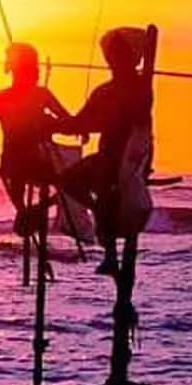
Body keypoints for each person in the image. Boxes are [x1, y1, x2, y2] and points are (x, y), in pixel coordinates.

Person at [54, 27, 153, 274]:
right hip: (107, 155)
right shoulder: (104, 91)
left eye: (120, 54)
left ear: (132, 57)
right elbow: (81, 122)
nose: (113, 60)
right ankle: (98, 212)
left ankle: (110, 255)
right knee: (68, 180)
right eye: (112, 54)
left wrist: (82, 124)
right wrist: (55, 124)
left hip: (131, 157)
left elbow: (134, 118)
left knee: (107, 187)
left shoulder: (140, 87)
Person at [0, 42, 71, 222]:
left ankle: (28, 212)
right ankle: (30, 212)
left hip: (21, 161)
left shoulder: (5, 97)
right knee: (65, 186)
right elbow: (67, 121)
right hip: (23, 161)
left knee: (61, 187)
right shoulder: (38, 94)